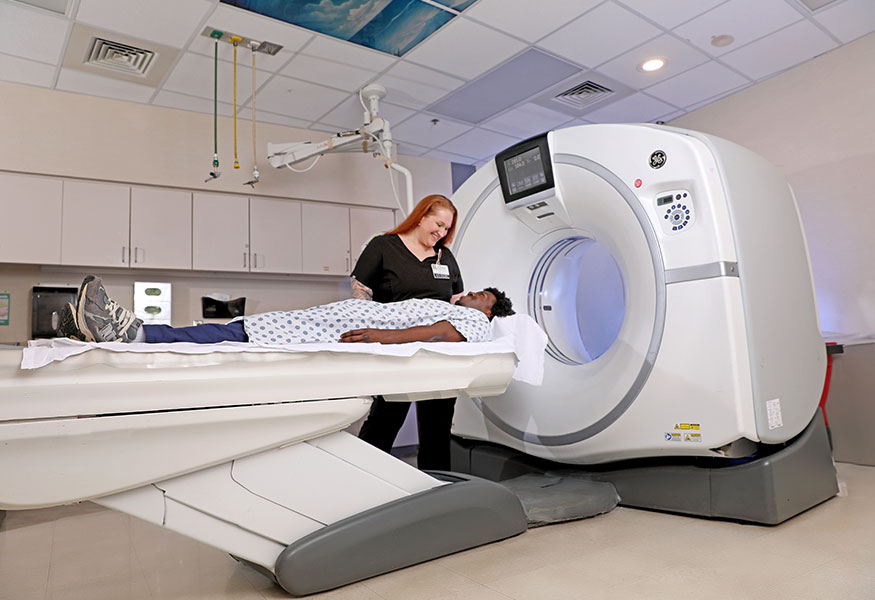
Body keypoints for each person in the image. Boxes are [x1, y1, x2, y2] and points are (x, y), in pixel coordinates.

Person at [350, 194, 469, 470]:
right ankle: (361, 477)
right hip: (396, 349)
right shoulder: (383, 246)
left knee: (437, 425)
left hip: (438, 351)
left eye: (446, 229)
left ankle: (436, 485)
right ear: (421, 216)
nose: (441, 233)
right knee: (385, 420)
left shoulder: (445, 257)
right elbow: (360, 295)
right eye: (438, 224)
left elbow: (456, 301)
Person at [56, 275, 514, 346]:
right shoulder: (457, 307)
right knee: (245, 327)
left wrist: (380, 336)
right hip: (335, 320)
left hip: (340, 334)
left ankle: (133, 334)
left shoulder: (475, 323)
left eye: (481, 298)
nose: (471, 296)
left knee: (241, 334)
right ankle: (116, 332)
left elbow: (437, 334)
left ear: (490, 312)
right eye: (475, 295)